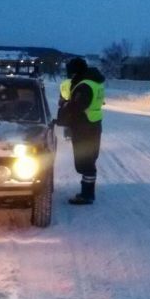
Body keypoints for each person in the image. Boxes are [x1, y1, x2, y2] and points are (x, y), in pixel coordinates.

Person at [58, 58, 105, 205]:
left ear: (75, 70)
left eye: (71, 71)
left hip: (84, 126)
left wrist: (63, 112)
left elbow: (75, 108)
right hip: (93, 124)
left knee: (84, 161)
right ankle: (88, 192)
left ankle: (87, 195)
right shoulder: (94, 82)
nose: (70, 75)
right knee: (89, 159)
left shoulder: (84, 86)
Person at [58, 66, 74, 140]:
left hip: (64, 102)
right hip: (72, 102)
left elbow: (61, 94)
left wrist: (61, 101)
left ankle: (66, 135)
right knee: (73, 118)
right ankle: (72, 134)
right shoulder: (74, 83)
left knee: (66, 118)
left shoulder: (63, 83)